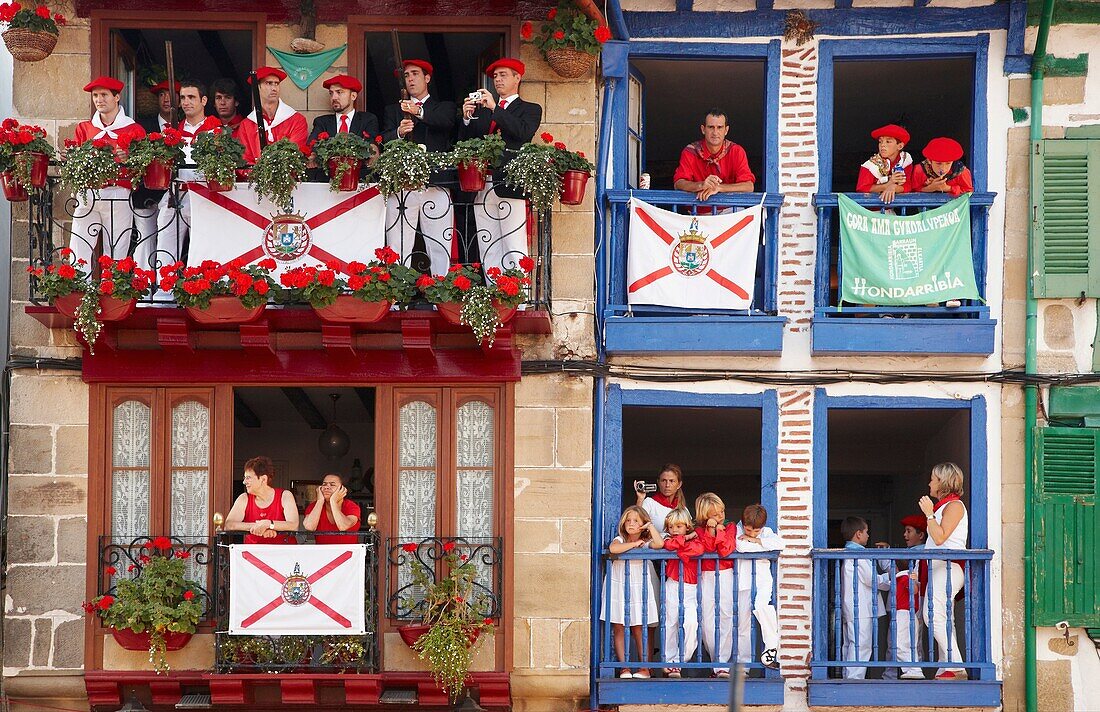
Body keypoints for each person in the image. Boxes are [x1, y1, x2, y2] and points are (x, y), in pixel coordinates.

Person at [462, 58, 542, 279]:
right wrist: (467, 119)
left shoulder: (530, 109)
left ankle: (520, 300)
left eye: (503, 75)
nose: (497, 80)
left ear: (518, 78)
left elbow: (523, 133)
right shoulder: (485, 110)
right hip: (481, 182)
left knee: (514, 243)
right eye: (495, 76)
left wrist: (495, 108)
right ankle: (495, 294)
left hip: (509, 184)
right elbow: (465, 143)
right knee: (488, 244)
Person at [137, 79, 222, 276]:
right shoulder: (173, 131)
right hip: (176, 194)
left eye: (191, 97)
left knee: (203, 246)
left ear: (204, 100)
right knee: (166, 242)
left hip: (204, 196)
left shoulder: (216, 131)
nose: (186, 102)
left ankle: (200, 289)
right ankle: (163, 292)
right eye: (183, 97)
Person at [381, 59, 458, 276]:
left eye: (415, 73)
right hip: (403, 183)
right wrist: (398, 132)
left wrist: (418, 112)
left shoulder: (444, 106)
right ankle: (397, 294)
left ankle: (440, 292)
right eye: (406, 75)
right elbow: (383, 140)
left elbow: (445, 122)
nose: (410, 78)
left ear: (427, 78)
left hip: (436, 183)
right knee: (398, 240)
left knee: (439, 242)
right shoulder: (393, 110)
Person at [67, 76, 147, 268]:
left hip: (118, 192)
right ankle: (79, 287)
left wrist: (129, 159)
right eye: (95, 95)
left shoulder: (134, 129)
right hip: (88, 192)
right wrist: (70, 159)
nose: (98, 99)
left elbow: (144, 168)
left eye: (104, 95)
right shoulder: (84, 128)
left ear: (117, 97)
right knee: (79, 244)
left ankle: (113, 291)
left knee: (117, 246)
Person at [918, 462, 969, 680]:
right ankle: (946, 666)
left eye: (933, 479)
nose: (929, 483)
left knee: (932, 615)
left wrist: (929, 515)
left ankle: (956, 666)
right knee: (944, 618)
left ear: (943, 482)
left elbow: (940, 537)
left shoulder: (955, 506)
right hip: (939, 569)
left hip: (949, 568)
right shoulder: (945, 506)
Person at [601, 504, 663, 679]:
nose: (631, 523)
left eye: (636, 520)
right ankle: (624, 667)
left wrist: (649, 526)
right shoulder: (620, 539)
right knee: (619, 625)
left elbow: (660, 543)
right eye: (628, 520)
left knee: (639, 625)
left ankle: (644, 667)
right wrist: (634, 543)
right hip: (620, 582)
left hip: (639, 584)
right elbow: (613, 549)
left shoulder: (647, 542)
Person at [840, 516, 891, 679]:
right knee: (861, 645)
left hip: (854, 606)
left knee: (850, 644)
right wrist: (892, 581)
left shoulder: (851, 553)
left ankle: (848, 677)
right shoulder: (859, 555)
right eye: (867, 532)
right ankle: (854, 680)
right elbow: (871, 580)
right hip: (861, 607)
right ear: (858, 534)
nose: (869, 536)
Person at [735, 504, 784, 670]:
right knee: (743, 624)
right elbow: (741, 547)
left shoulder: (767, 532)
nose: (751, 534)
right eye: (748, 531)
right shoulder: (736, 530)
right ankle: (744, 666)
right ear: (743, 524)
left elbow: (780, 544)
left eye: (756, 531)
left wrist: (756, 540)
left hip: (763, 579)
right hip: (743, 581)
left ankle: (771, 648)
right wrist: (762, 546)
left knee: (763, 607)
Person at [672, 108, 755, 206]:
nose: (715, 132)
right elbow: (679, 183)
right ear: (703, 129)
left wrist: (718, 188)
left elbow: (749, 187)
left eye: (719, 127)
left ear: (726, 130)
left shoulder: (736, 151)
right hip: (697, 212)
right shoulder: (690, 152)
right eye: (711, 127)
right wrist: (701, 185)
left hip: (729, 212)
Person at [694, 491, 737, 678]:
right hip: (704, 576)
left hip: (726, 575)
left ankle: (722, 665)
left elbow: (725, 550)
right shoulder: (697, 531)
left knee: (726, 617)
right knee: (706, 620)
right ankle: (716, 661)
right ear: (705, 516)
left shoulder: (730, 527)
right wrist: (711, 531)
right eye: (715, 514)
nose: (721, 516)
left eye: (722, 512)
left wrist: (719, 530)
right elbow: (708, 548)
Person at [307, 74, 379, 182]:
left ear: (353, 96)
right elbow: (312, 145)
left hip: (359, 181)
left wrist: (374, 152)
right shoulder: (321, 121)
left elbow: (372, 144)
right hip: (326, 182)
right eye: (331, 93)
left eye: (339, 92)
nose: (334, 97)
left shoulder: (367, 119)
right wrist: (311, 156)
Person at [661, 507, 703, 678]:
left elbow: (698, 550)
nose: (674, 530)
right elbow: (667, 544)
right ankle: (670, 663)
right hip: (672, 583)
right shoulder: (670, 539)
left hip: (691, 587)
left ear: (687, 525)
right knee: (670, 623)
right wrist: (683, 540)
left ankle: (680, 659)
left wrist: (680, 548)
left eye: (678, 526)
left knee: (691, 623)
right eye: (671, 527)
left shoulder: (696, 539)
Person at [237, 66, 309, 164]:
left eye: (277, 84)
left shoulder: (296, 120)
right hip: (255, 179)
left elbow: (294, 155)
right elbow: (245, 160)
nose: (274, 88)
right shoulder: (246, 125)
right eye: (269, 83)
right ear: (257, 87)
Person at [223, 455, 299, 544]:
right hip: (253, 555)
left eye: (248, 478)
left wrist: (268, 524)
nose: (244, 482)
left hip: (283, 554)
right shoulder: (244, 498)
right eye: (245, 478)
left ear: (263, 479)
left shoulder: (285, 496)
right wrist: (259, 527)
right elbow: (229, 525)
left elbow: (294, 525)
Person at [895, 514, 929, 680]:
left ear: (921, 535)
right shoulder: (910, 556)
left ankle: (915, 670)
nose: (904, 535)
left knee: (912, 638)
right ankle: (914, 669)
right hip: (913, 603)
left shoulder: (924, 554)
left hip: (919, 601)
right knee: (910, 638)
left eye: (908, 531)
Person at [856, 124, 913, 205]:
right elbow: (862, 189)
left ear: (900, 146)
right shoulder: (869, 166)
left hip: (890, 211)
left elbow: (908, 186)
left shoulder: (905, 160)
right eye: (880, 141)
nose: (882, 145)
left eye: (888, 141)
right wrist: (887, 185)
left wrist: (893, 187)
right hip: (869, 212)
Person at [302, 473, 361, 544]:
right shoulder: (314, 506)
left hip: (348, 553)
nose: (327, 487)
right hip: (323, 553)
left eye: (332, 485)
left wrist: (333, 501)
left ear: (343, 490)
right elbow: (309, 527)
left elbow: (343, 526)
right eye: (324, 484)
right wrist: (320, 501)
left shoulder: (351, 506)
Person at [634, 463, 686, 536]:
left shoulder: (683, 508)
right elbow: (635, 524)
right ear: (658, 482)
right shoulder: (649, 503)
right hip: (654, 546)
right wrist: (640, 499)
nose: (667, 485)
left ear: (679, 484)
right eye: (664, 480)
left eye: (671, 481)